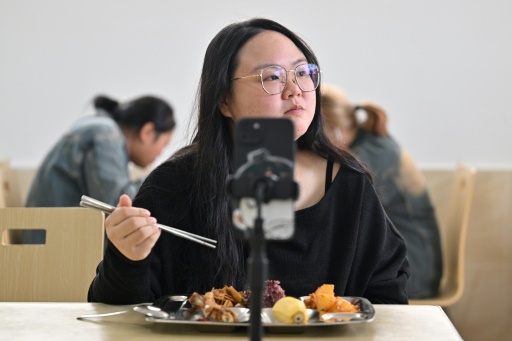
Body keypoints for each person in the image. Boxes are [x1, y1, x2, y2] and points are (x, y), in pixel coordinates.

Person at [88, 18, 409, 305]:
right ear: (225, 100)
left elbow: (387, 294)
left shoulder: (348, 183)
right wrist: (127, 257)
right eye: (272, 76)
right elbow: (117, 310)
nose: (294, 90)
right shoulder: (174, 185)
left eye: (303, 72)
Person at [321, 84, 442, 298]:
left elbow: (337, 209)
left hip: (413, 268)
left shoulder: (369, 155)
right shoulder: (371, 143)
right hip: (411, 260)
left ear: (334, 129)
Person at [26, 95, 175, 208]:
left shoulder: (101, 127)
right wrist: (164, 180)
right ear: (147, 132)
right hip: (52, 242)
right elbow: (118, 206)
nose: (161, 154)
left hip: (47, 235)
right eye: (164, 144)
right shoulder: (106, 135)